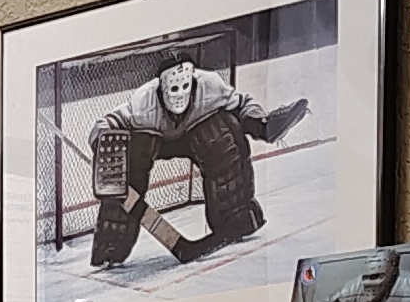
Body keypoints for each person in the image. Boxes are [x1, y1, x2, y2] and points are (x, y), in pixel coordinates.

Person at [87, 54, 311, 269]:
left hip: (197, 133)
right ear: (162, 88)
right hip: (154, 140)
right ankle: (112, 245)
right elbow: (107, 123)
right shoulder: (143, 102)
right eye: (173, 89)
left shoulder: (210, 85)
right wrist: (103, 140)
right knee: (128, 159)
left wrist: (261, 123)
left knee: (224, 131)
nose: (179, 95)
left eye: (184, 86)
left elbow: (241, 104)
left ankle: (234, 217)